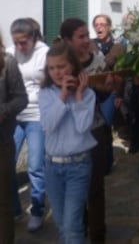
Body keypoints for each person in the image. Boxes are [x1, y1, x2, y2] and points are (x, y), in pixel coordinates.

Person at [60, 18, 117, 243]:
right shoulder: (59, 64)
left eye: (87, 35)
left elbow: (102, 97)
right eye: (81, 36)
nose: (87, 40)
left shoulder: (97, 60)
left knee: (95, 187)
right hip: (68, 133)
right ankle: (78, 228)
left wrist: (108, 86)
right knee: (73, 189)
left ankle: (97, 235)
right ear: (67, 40)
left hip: (94, 131)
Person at [39, 42, 96, 243]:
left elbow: (83, 127)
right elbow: (48, 124)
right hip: (52, 165)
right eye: (52, 68)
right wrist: (63, 96)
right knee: (61, 224)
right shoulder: (46, 93)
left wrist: (77, 96)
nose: (56, 72)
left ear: (72, 65)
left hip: (78, 165)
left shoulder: (87, 95)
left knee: (73, 225)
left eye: (61, 66)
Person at [7, 18, 48, 232]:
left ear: (33, 37)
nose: (20, 47)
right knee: (6, 163)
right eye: (16, 42)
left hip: (37, 115)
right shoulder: (12, 54)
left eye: (23, 42)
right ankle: (14, 209)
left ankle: (38, 211)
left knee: (35, 166)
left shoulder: (45, 53)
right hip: (14, 116)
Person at [0, 33, 28, 244]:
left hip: (1, 142)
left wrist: (3, 110)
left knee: (3, 203)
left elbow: (21, 98)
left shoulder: (7, 62)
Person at [92, 14, 125, 158]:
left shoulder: (118, 46)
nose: (99, 27)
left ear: (109, 27)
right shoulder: (91, 44)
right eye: (96, 25)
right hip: (92, 92)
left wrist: (119, 95)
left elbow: (115, 68)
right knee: (94, 129)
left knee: (106, 127)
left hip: (110, 92)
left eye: (102, 24)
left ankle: (107, 160)